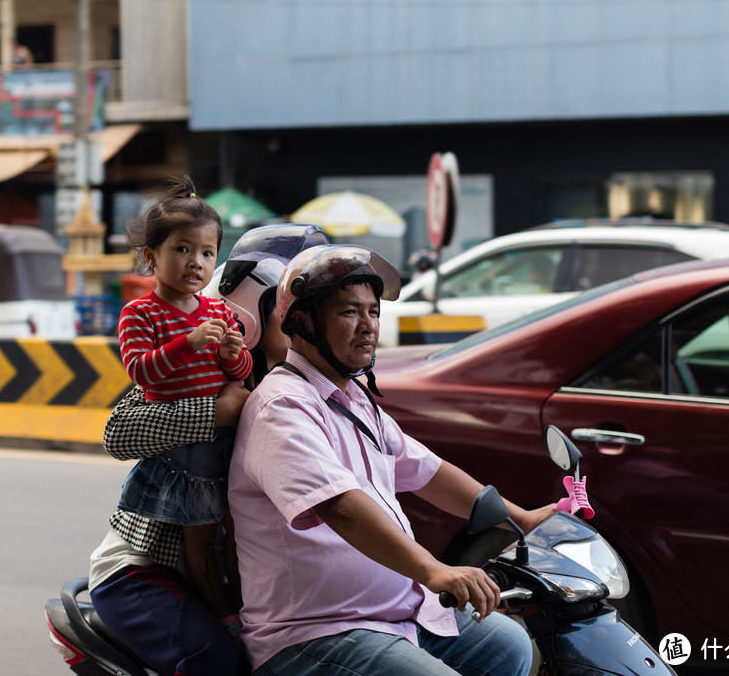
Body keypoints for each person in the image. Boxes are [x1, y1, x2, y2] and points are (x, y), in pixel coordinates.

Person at [228, 244, 557, 676]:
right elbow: (339, 506)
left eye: (374, 312)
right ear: (303, 322)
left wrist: (521, 520)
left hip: (396, 615)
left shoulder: (353, 400)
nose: (369, 326)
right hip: (318, 633)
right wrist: (434, 570)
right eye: (350, 312)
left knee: (508, 644)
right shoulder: (282, 406)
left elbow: (429, 472)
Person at [88, 223, 330, 676]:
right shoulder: (198, 364)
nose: (314, 327)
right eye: (298, 313)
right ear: (255, 312)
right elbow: (118, 432)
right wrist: (216, 413)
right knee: (216, 664)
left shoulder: (317, 384)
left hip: (251, 586)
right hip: (151, 569)